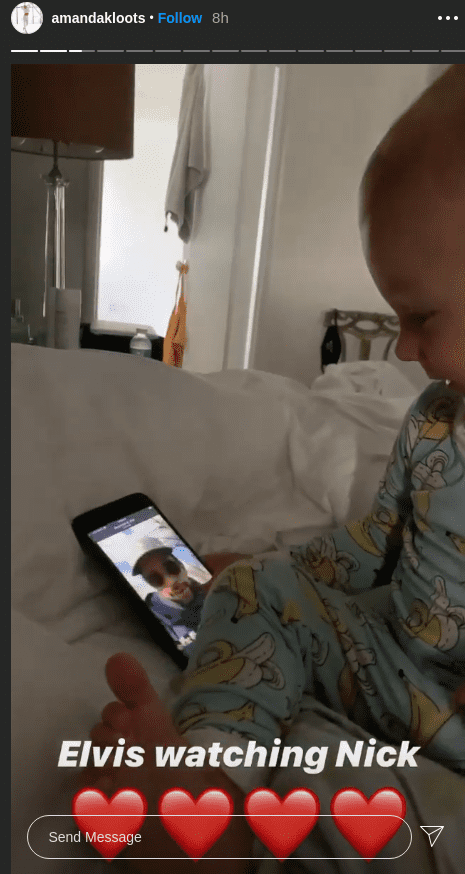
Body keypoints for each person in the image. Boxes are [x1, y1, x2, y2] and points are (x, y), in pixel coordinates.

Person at [84, 65, 465, 871]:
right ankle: (205, 795)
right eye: (392, 318)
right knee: (262, 599)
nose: (401, 348)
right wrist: (258, 569)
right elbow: (369, 547)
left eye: (420, 315)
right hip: (394, 669)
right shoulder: (433, 422)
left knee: (369, 798)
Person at [135, 547, 208, 649]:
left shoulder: (216, 587)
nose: (172, 582)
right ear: (151, 585)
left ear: (182, 566)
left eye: (171, 567)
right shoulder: (154, 625)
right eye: (155, 579)